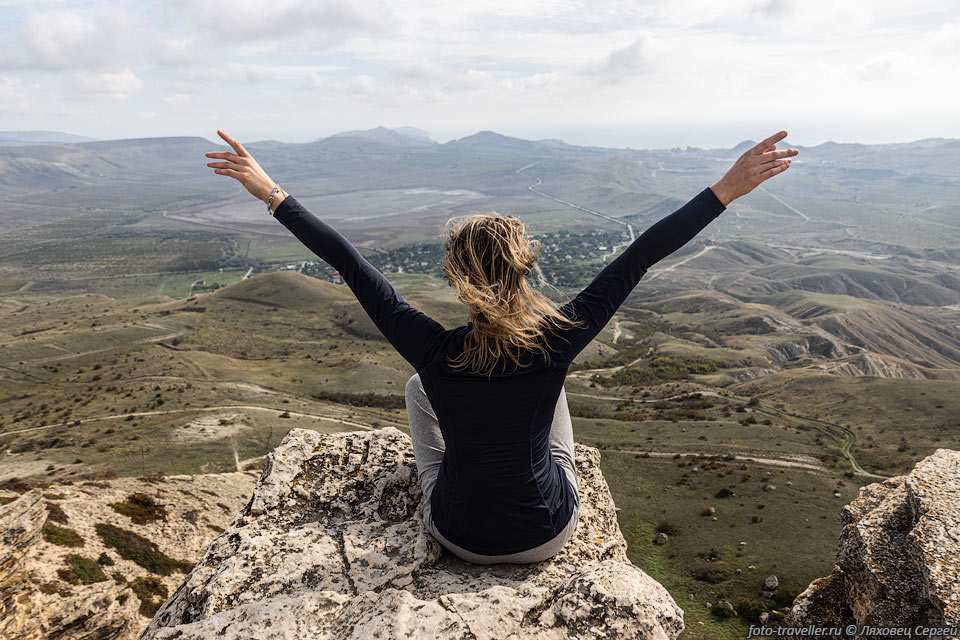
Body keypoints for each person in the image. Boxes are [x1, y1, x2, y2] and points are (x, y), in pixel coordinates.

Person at [205, 129, 797, 564]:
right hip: (547, 535)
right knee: (551, 405)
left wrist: (272, 193)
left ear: (455, 278)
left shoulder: (434, 351)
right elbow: (642, 253)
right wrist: (725, 189)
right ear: (526, 266)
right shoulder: (557, 340)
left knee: (418, 390)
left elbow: (349, 263)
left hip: (457, 535)